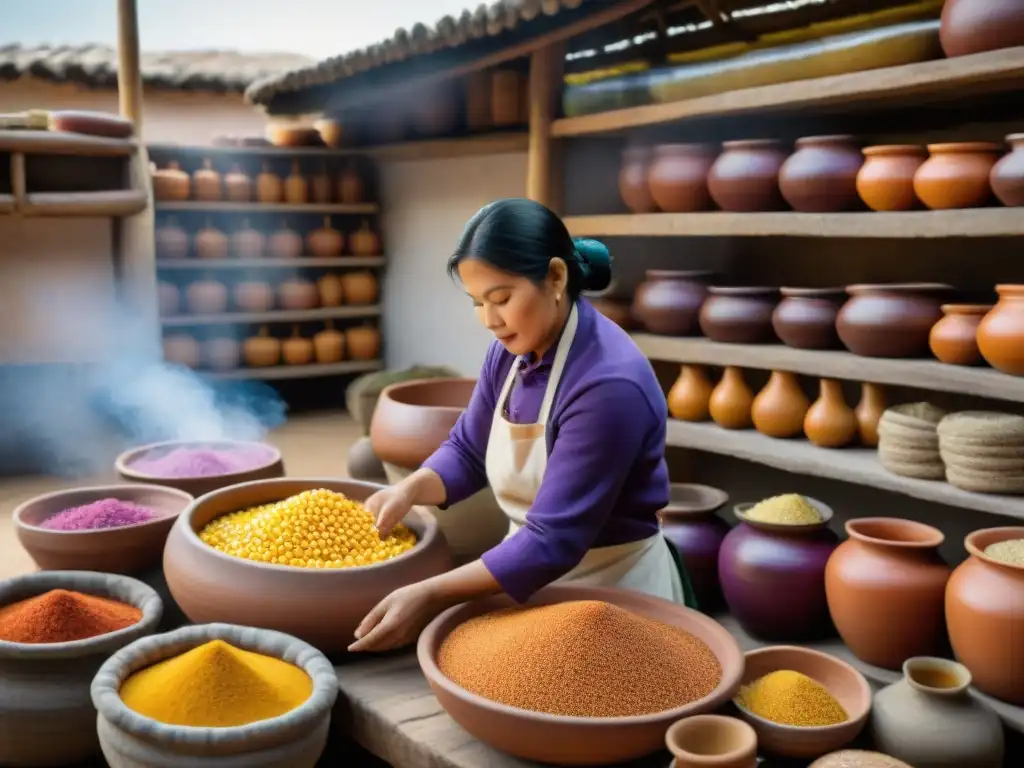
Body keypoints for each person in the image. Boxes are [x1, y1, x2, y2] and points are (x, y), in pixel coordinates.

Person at [348, 197, 696, 652]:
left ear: (555, 277)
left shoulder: (608, 384)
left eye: (501, 299)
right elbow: (469, 450)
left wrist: (431, 591)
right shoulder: (513, 349)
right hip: (526, 576)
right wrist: (411, 488)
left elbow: (553, 540)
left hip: (613, 594)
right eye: (477, 303)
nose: (489, 321)